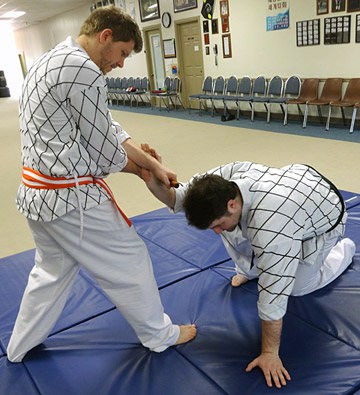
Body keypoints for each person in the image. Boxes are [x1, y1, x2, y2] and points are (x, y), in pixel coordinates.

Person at [7, 6, 196, 363]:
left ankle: (19, 347)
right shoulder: (83, 70)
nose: (122, 64)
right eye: (123, 53)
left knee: (51, 271)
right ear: (105, 36)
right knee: (130, 258)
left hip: (37, 195)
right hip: (70, 200)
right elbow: (106, 153)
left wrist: (153, 163)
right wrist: (142, 171)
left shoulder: (53, 59)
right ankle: (159, 334)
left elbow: (105, 125)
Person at [142, 159, 355, 389]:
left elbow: (274, 295)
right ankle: (249, 267)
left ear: (232, 204)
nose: (215, 232)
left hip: (325, 213)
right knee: (231, 229)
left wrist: (269, 352)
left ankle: (343, 250)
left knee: (297, 287)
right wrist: (153, 183)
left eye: (217, 224)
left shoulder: (273, 226)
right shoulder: (224, 180)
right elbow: (183, 196)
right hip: (297, 185)